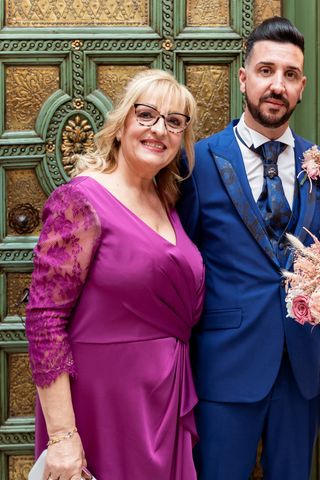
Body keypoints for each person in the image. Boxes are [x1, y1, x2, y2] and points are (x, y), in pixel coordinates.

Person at [25, 69, 203, 479]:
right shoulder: (81, 200)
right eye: (146, 115)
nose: (159, 129)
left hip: (163, 400)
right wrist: (63, 436)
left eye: (174, 122)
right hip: (102, 404)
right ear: (121, 124)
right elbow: (44, 321)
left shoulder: (165, 201)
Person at [177, 16, 320, 479]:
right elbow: (182, 260)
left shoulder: (319, 163)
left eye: (289, 75)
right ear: (243, 78)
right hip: (226, 364)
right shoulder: (198, 160)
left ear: (302, 86)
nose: (277, 85)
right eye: (266, 71)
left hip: (301, 368)